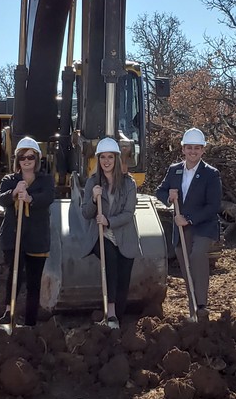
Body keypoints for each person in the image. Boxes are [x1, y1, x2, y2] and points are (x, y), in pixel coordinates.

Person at [155, 127, 222, 320]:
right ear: (183, 149)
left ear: (203, 150)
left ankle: (202, 306)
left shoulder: (211, 174)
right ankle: (193, 308)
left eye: (197, 148)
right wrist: (168, 197)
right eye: (189, 147)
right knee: (185, 264)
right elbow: (160, 191)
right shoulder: (174, 170)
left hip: (203, 226)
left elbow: (213, 205)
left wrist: (190, 218)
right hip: (180, 228)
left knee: (197, 255)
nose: (193, 151)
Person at [81, 137, 140, 329]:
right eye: (102, 157)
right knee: (111, 263)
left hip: (125, 236)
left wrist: (109, 221)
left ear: (116, 159)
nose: (106, 161)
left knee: (123, 280)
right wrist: (93, 198)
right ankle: (111, 313)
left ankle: (116, 324)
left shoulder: (129, 184)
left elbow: (129, 213)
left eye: (110, 157)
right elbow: (86, 213)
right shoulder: (93, 182)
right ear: (98, 160)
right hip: (101, 235)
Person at [0, 136, 54, 327]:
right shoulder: (9, 180)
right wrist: (14, 192)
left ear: (37, 159)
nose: (27, 160)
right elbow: (0, 199)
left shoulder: (45, 180)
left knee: (33, 282)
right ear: (17, 160)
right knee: (14, 276)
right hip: (14, 236)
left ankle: (30, 323)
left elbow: (48, 197)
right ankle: (9, 313)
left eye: (31, 156)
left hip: (37, 238)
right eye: (22, 157)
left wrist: (30, 198)